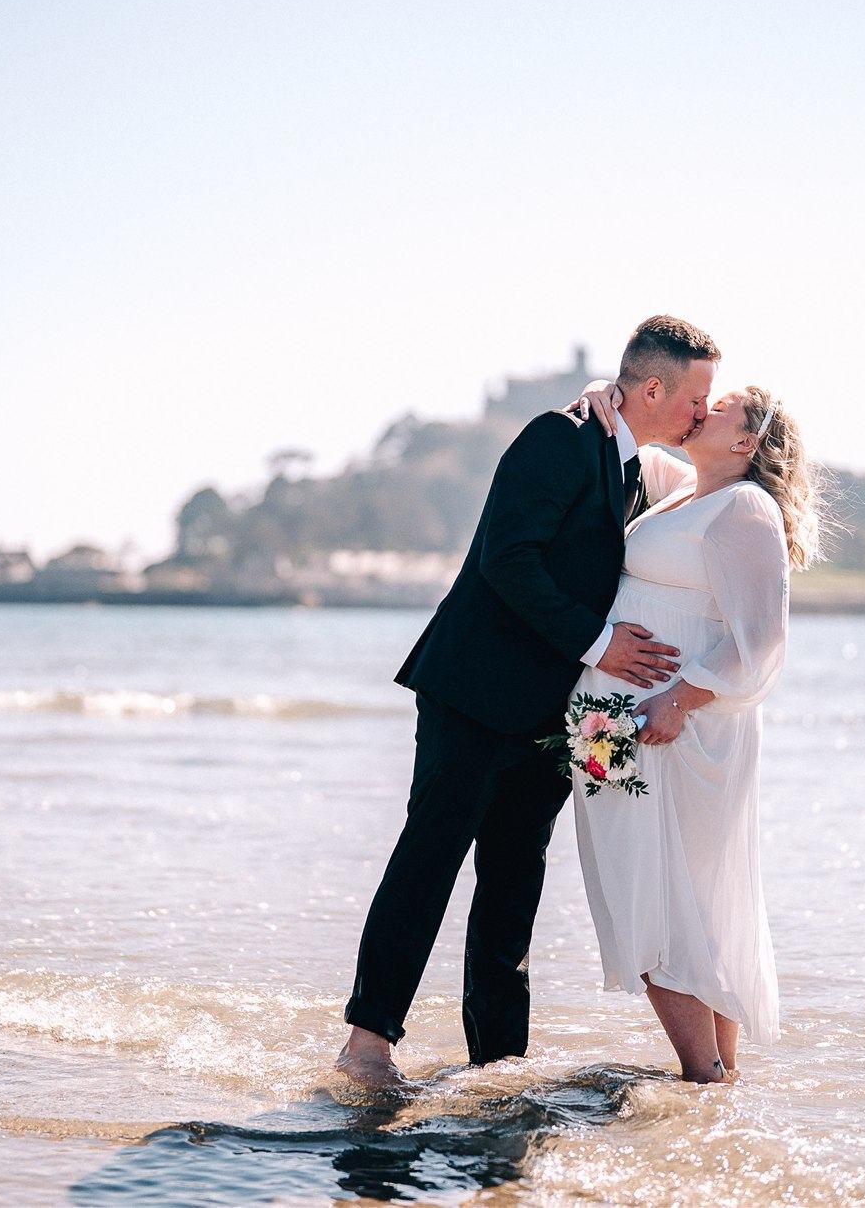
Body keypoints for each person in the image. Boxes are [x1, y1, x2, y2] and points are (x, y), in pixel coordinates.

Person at [335, 316, 722, 1089]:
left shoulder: (641, 467)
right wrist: (600, 644)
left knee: (516, 884)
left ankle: (497, 1062)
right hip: (475, 692)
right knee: (428, 862)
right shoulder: (557, 437)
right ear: (653, 389)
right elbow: (506, 559)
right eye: (696, 398)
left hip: (557, 715)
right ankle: (367, 1045)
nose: (702, 414)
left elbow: (722, 485)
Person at [568, 378, 824, 1082]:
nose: (701, 409)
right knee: (670, 892)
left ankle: (703, 1076)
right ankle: (718, 1083)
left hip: (672, 728)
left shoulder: (745, 506)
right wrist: (603, 389)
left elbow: (761, 640)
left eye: (720, 406)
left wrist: (677, 701)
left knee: (662, 893)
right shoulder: (684, 488)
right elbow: (626, 423)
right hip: (619, 720)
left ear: (745, 440)